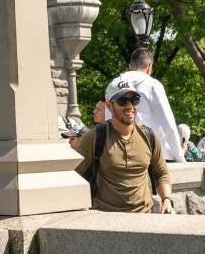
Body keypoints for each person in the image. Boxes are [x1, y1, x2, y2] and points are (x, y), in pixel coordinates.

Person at [74, 77, 173, 213]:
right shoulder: (95, 136)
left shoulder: (149, 136)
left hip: (145, 219)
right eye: (122, 101)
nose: (129, 106)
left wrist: (166, 200)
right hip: (107, 221)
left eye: (134, 100)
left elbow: (161, 173)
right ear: (109, 106)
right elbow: (75, 175)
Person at [106, 48, 185, 162]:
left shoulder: (113, 85)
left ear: (129, 66)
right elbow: (167, 123)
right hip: (154, 154)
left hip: (120, 155)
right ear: (149, 66)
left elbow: (109, 120)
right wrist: (179, 156)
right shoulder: (153, 85)